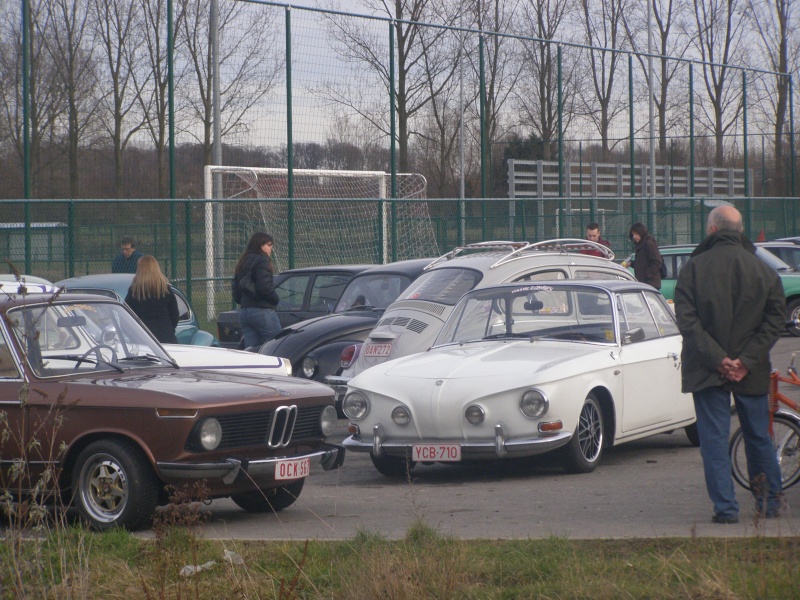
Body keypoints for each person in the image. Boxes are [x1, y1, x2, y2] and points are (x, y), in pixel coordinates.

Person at [674, 205, 786, 524]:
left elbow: (687, 320)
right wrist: (745, 361)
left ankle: (725, 508)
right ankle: (769, 504)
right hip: (750, 370)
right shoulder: (762, 270)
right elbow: (775, 319)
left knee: (713, 439)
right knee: (758, 436)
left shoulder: (693, 268)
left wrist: (718, 359)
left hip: (707, 368)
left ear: (711, 230)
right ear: (739, 231)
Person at [233, 232, 281, 348]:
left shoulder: (243, 261)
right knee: (277, 344)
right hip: (262, 310)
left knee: (252, 349)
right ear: (260, 245)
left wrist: (244, 302)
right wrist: (275, 299)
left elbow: (236, 288)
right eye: (269, 245)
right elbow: (264, 287)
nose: (271, 248)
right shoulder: (262, 261)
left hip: (244, 311)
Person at [125, 255, 179, 344]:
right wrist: (169, 328)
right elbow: (174, 315)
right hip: (166, 335)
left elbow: (127, 316)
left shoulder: (134, 291)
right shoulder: (165, 289)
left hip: (142, 336)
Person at [628, 222, 662, 289]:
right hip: (644, 282)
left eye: (636, 234)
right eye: (633, 234)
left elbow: (657, 261)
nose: (634, 237)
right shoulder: (641, 244)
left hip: (650, 283)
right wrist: (631, 263)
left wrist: (648, 276)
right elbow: (642, 263)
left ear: (641, 233)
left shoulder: (649, 243)